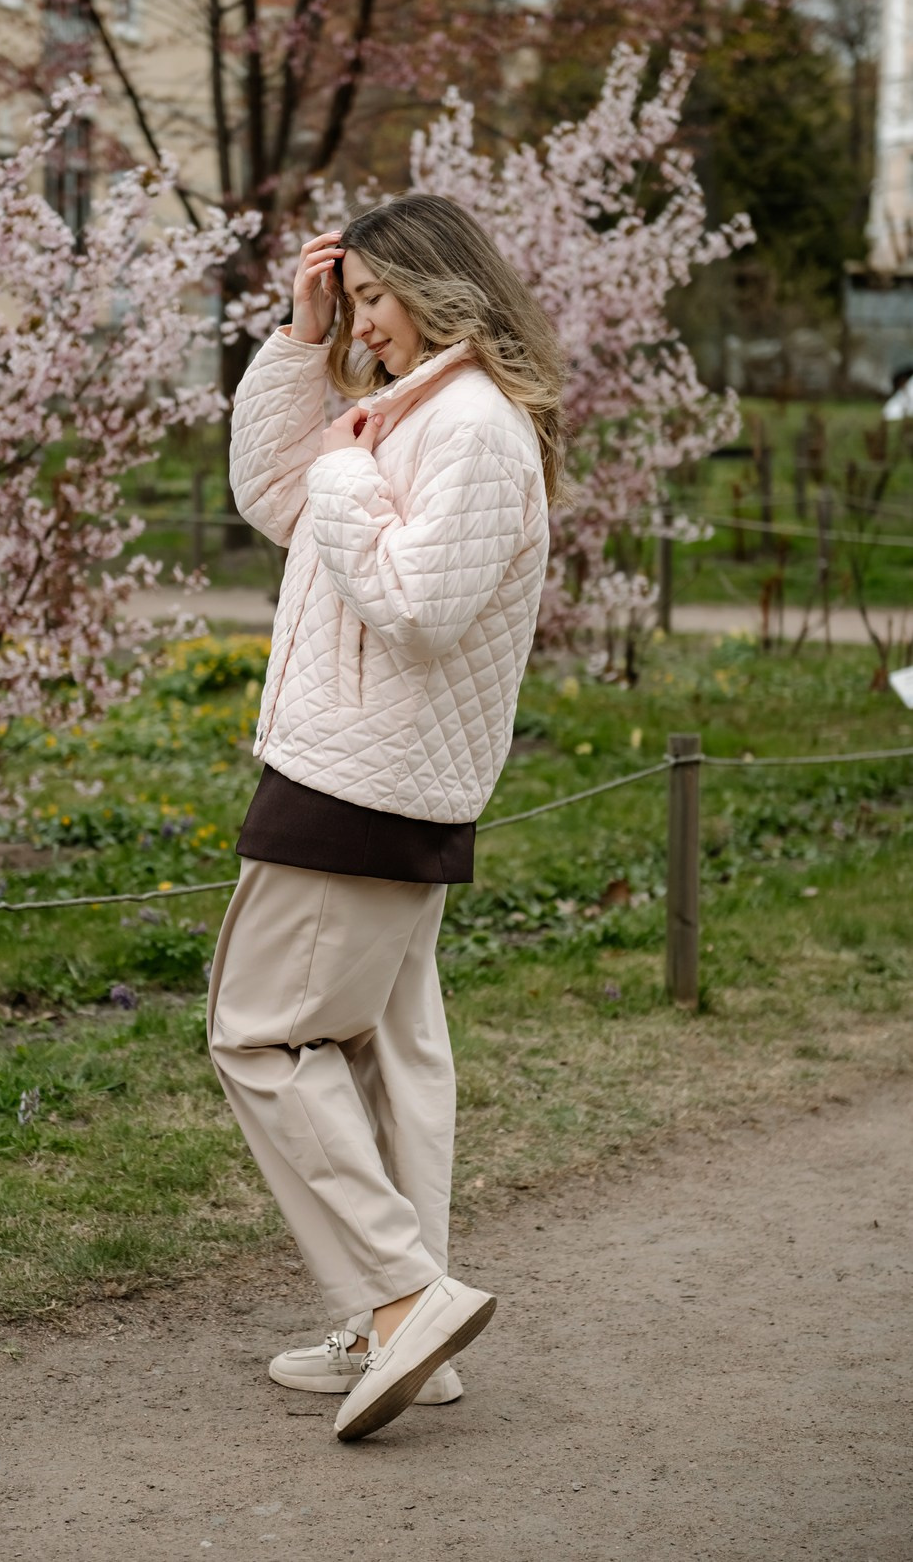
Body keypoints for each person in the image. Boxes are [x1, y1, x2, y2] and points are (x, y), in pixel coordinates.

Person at [206, 193, 565, 1442]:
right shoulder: (417, 411)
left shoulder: (466, 425)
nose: (362, 322)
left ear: (439, 285)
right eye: (350, 298)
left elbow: (414, 606)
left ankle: (406, 1297)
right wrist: (299, 343)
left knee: (258, 1034)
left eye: (372, 297)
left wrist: (350, 465)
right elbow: (276, 494)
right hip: (379, 775)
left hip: (356, 780)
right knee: (382, 1052)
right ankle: (398, 1330)